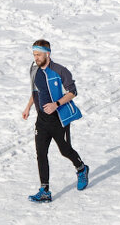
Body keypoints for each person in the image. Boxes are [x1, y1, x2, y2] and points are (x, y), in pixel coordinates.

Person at [22, 40, 89, 203]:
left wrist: (56, 104)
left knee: (65, 150)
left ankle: (81, 168)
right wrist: (28, 107)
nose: (36, 58)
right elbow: (35, 91)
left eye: (38, 54)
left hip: (59, 118)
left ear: (47, 54)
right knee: (41, 153)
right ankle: (44, 190)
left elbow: (73, 92)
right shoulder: (34, 70)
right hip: (42, 120)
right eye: (34, 55)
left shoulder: (60, 71)